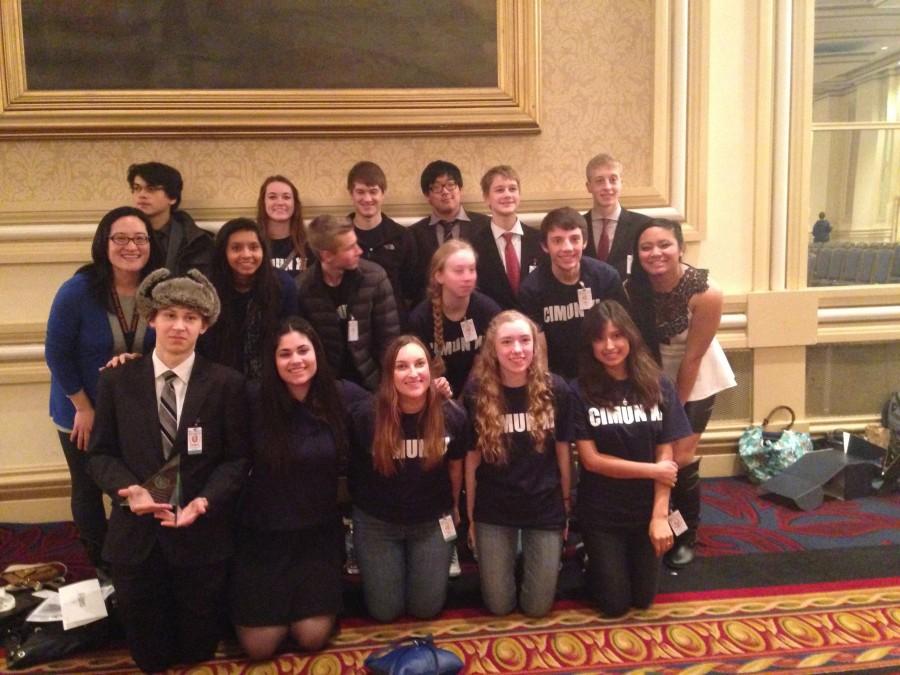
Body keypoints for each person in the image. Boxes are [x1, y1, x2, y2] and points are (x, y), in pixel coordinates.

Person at [86, 269, 248, 673]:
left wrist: (204, 501)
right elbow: (100, 455)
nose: (179, 325)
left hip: (200, 536)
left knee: (198, 652)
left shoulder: (226, 384)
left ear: (204, 326)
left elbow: (236, 459)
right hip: (136, 538)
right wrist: (130, 491)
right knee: (150, 657)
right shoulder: (116, 382)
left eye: (191, 318)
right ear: (152, 318)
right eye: (171, 314)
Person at [230, 317, 366, 660]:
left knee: (311, 638)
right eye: (285, 354)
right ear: (272, 360)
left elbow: (390, 406)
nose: (296, 361)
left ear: (316, 352)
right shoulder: (252, 398)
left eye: (303, 350)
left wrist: (435, 392)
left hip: (317, 536)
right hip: (262, 534)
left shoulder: (341, 395)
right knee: (259, 647)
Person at [45, 206, 160, 569]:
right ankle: (100, 565)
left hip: (136, 410)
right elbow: (56, 353)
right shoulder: (78, 290)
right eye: (121, 238)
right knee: (87, 485)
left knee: (129, 485)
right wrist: (84, 407)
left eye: (140, 238)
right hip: (82, 409)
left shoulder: (160, 288)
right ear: (104, 243)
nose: (131, 246)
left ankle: (132, 558)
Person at [626, 219, 736, 569]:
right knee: (656, 453)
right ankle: (660, 522)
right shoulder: (632, 287)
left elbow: (692, 357)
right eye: (646, 247)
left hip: (696, 376)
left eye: (664, 245)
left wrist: (675, 407)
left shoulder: (706, 292)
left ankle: (686, 534)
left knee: (680, 455)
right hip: (653, 375)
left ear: (681, 249)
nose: (655, 253)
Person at [572, 300, 691, 617]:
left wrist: (659, 516)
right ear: (590, 345)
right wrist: (653, 470)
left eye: (617, 336)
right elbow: (591, 460)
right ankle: (591, 557)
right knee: (614, 605)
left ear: (630, 338)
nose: (609, 346)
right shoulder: (579, 391)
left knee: (643, 599)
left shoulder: (658, 383)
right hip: (602, 513)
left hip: (645, 511)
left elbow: (667, 452)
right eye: (600, 339)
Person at [347, 335, 468, 622]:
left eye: (419, 364)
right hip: (378, 524)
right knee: (384, 612)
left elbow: (455, 468)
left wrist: (454, 510)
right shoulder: (366, 416)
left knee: (425, 609)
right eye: (402, 366)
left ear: (431, 369)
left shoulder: (452, 416)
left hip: (430, 522)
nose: (413, 373)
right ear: (389, 374)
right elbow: (355, 473)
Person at [463, 311, 573, 617]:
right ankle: (515, 551)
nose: (517, 350)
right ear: (493, 349)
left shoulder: (557, 389)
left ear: (535, 346)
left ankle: (532, 551)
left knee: (537, 608)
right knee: (499, 606)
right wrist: (471, 517)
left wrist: (565, 506)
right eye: (507, 342)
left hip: (543, 505)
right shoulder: (476, 392)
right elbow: (471, 461)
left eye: (525, 341)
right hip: (495, 508)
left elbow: (564, 452)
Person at [520, 206, 628, 380]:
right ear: (545, 246)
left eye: (574, 239)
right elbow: (539, 350)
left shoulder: (606, 277)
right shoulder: (532, 288)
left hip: (604, 373)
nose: (567, 248)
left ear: (584, 242)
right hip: (559, 378)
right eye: (557, 240)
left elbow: (623, 333)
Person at [297, 214, 401, 391]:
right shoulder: (302, 289)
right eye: (350, 247)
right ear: (327, 255)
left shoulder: (375, 278)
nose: (359, 251)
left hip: (371, 382)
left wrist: (386, 387)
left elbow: (389, 341)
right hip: (325, 385)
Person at [201, 218, 298, 379]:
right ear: (223, 252)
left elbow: (290, 335)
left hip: (272, 376)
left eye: (254, 247)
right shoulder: (207, 288)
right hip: (218, 376)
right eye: (236, 248)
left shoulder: (282, 284)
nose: (246, 255)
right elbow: (203, 345)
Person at [407, 239, 501, 397]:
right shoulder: (420, 319)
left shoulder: (488, 311)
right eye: (459, 271)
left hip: (480, 394)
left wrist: (463, 401)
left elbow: (490, 365)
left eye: (472, 270)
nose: (467, 277)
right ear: (439, 276)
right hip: (434, 397)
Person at [347, 161, 419, 319]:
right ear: (351, 193)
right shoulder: (340, 236)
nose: (367, 199)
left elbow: (411, 289)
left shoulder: (402, 236)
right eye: (360, 192)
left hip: (394, 323)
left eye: (373, 191)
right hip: (350, 323)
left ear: (383, 194)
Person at [409, 160, 491, 296]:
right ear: (427, 196)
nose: (445, 192)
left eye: (451, 185)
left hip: (477, 305)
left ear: (460, 189)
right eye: (436, 187)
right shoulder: (414, 234)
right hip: (431, 307)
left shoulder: (485, 225)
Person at [471, 165, 546, 310]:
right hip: (494, 325)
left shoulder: (539, 240)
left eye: (512, 189)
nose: (507, 195)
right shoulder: (474, 245)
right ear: (486, 198)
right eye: (499, 190)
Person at [128, 161, 214, 277]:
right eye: (137, 188)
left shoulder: (197, 241)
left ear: (172, 197)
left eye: (151, 189)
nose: (142, 194)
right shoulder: (119, 235)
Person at [582, 153, 650, 279]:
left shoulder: (644, 226)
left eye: (613, 180)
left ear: (621, 183)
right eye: (599, 181)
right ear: (589, 187)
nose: (607, 187)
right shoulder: (578, 227)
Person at [256, 175, 310, 276]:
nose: (280, 202)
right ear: (263, 203)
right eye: (272, 197)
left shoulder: (310, 243)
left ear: (295, 203)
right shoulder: (253, 243)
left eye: (286, 197)